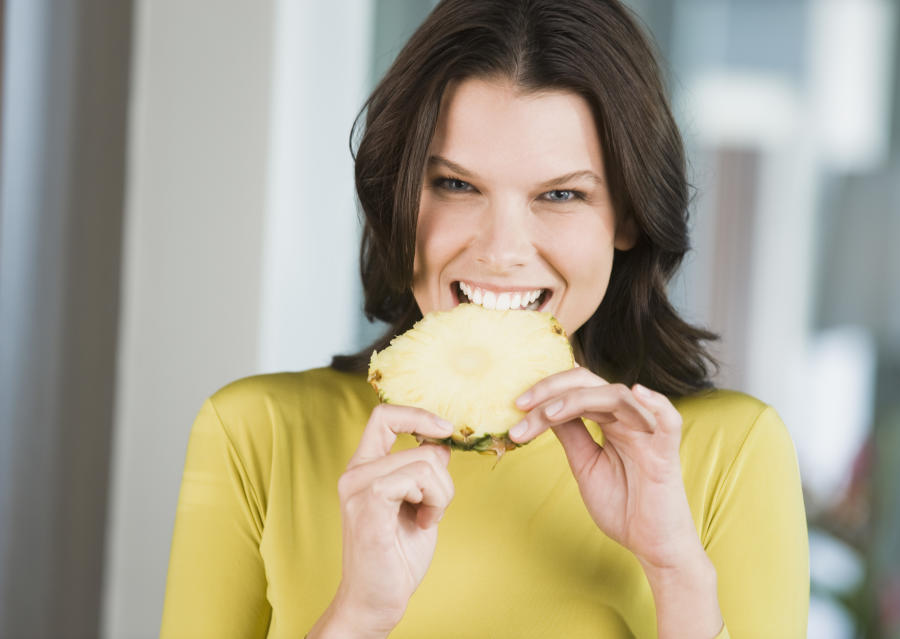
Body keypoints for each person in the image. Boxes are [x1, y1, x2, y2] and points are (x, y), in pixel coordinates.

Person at [159, 0, 809, 637]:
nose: (500, 250)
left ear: (630, 216)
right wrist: (355, 618)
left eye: (561, 194)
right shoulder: (255, 433)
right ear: (399, 195)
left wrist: (677, 573)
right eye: (456, 185)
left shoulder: (734, 451)